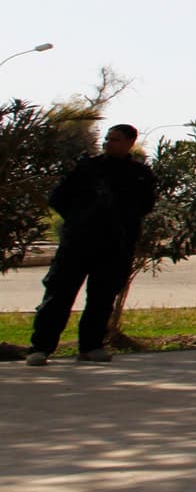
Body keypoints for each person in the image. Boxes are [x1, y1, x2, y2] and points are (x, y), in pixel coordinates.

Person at [25, 123, 157, 366]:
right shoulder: (87, 168)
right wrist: (79, 220)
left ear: (129, 142)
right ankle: (41, 347)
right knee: (59, 295)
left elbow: (145, 206)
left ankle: (91, 346)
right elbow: (59, 199)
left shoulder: (140, 174)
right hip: (78, 243)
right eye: (107, 138)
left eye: (115, 139)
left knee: (101, 298)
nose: (108, 143)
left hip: (114, 246)